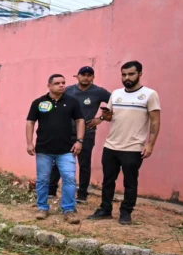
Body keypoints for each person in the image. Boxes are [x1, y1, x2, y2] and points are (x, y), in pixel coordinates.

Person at [88, 61, 160, 225]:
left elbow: (155, 121)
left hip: (133, 147)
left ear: (140, 74)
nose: (126, 77)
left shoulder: (150, 95)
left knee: (130, 182)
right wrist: (104, 117)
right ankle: (105, 209)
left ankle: (126, 212)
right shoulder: (116, 94)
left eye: (131, 74)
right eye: (124, 74)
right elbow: (111, 117)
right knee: (108, 180)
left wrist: (150, 144)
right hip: (111, 145)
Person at [26, 74, 85, 223]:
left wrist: (79, 141)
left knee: (70, 179)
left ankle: (69, 210)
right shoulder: (39, 103)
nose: (61, 85)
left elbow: (80, 120)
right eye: (57, 83)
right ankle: (42, 208)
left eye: (63, 83)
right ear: (49, 86)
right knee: (43, 180)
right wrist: (29, 143)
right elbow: (30, 122)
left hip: (66, 150)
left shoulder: (72, 102)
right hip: (44, 150)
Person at [48, 66, 111, 203]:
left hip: (87, 133)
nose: (86, 77)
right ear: (77, 76)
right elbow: (55, 103)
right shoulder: (68, 90)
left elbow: (115, 102)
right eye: (83, 74)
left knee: (84, 164)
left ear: (93, 77)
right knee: (58, 161)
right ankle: (51, 191)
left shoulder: (99, 92)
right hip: (65, 133)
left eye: (89, 75)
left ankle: (82, 195)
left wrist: (100, 119)